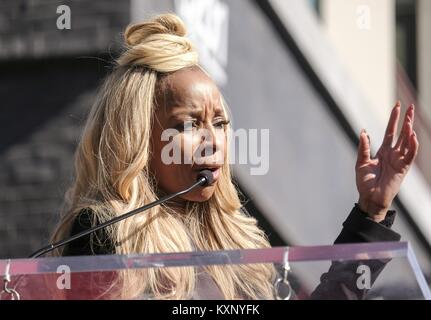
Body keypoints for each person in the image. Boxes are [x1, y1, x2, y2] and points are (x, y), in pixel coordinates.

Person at [49, 14, 419, 300]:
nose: (214, 141)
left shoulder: (242, 244)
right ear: (140, 139)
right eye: (190, 124)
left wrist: (371, 210)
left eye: (221, 122)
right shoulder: (103, 231)